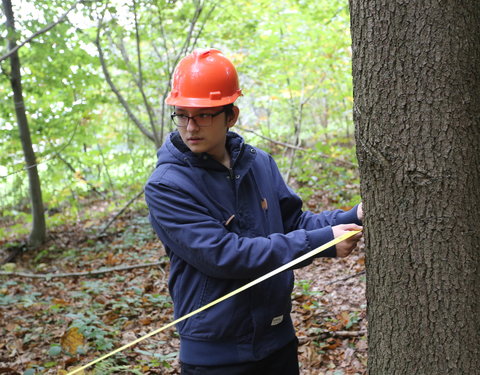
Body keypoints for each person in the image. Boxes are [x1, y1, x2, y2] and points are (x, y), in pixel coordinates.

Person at [145, 48, 363, 375]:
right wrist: (321, 242)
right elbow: (224, 255)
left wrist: (353, 216)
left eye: (203, 115)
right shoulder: (167, 186)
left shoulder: (258, 163)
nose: (190, 127)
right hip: (216, 355)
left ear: (230, 116)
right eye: (182, 114)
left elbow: (293, 222)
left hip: (277, 339)